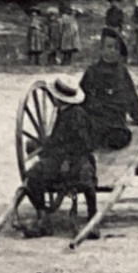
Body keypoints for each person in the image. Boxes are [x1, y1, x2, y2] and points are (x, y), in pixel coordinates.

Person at [22, 76, 98, 238]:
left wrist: (66, 158)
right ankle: (43, 218)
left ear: (57, 98)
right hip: (61, 159)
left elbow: (85, 144)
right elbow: (57, 140)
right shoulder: (62, 112)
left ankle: (93, 219)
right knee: (33, 175)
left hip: (77, 159)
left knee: (86, 181)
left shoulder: (77, 115)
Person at [79, 29, 138, 151]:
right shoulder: (92, 71)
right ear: (101, 49)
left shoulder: (122, 72)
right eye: (109, 47)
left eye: (116, 48)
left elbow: (131, 93)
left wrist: (136, 115)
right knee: (85, 135)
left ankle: (102, 141)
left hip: (116, 122)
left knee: (119, 138)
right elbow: (81, 95)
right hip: (96, 120)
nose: (112, 51)